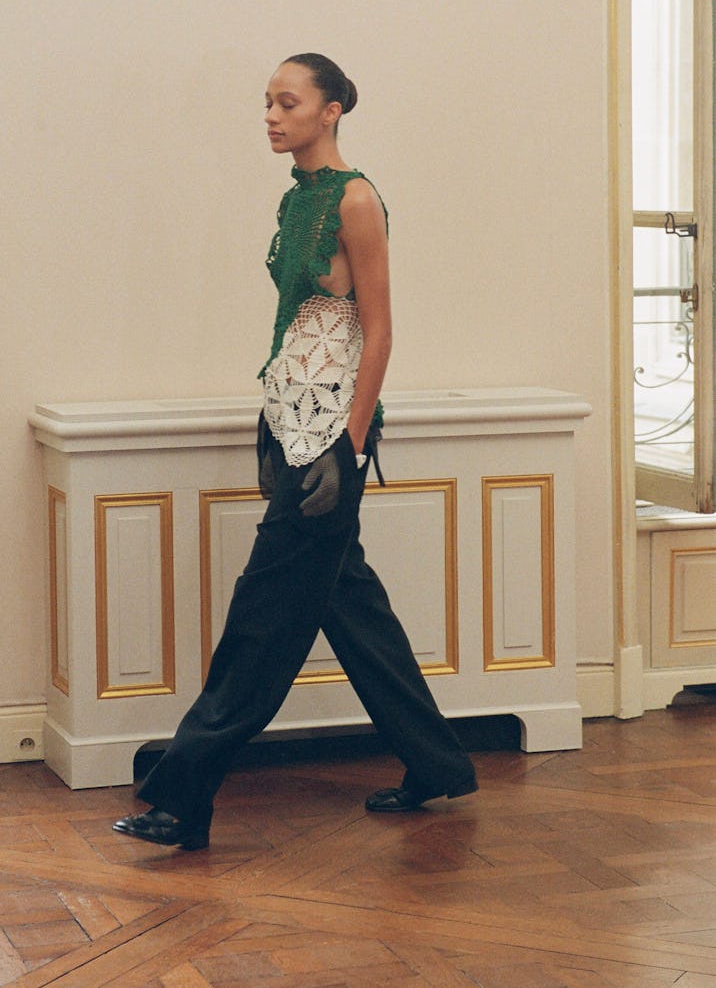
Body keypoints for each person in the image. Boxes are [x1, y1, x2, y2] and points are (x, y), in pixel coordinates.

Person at [113, 53, 477, 850]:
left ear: (332, 110)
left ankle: (182, 798)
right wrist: (273, 426)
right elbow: (298, 329)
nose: (272, 116)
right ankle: (438, 762)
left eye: (288, 102)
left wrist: (346, 444)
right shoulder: (297, 198)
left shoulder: (353, 199)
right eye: (267, 103)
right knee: (352, 607)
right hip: (290, 418)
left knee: (262, 621)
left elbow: (377, 328)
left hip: (331, 436)